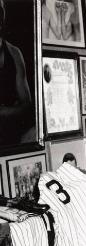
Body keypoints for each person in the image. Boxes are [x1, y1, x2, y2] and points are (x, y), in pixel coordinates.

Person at [0, 0, 33, 146]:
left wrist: (6, 111)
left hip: (10, 136)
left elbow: (27, 103)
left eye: (0, 11)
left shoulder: (14, 53)